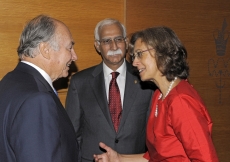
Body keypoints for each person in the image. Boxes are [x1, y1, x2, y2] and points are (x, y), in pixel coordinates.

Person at [94, 26, 219, 162]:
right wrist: (118, 158)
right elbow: (155, 157)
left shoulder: (181, 101)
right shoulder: (159, 95)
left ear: (162, 52)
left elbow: (207, 159)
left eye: (140, 54)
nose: (135, 62)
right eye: (134, 56)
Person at [65, 18, 153, 162]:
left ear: (126, 41)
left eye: (118, 39)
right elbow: (72, 134)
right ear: (98, 46)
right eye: (106, 41)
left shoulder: (146, 79)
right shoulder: (80, 82)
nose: (114, 46)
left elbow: (153, 134)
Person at [0, 15, 79, 162]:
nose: (75, 56)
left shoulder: (8, 82)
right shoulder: (37, 100)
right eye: (69, 48)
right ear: (45, 50)